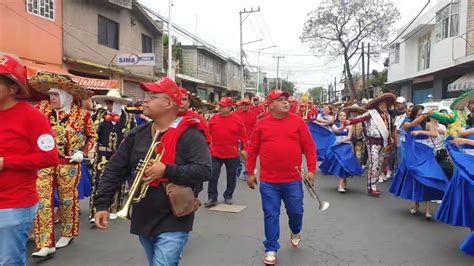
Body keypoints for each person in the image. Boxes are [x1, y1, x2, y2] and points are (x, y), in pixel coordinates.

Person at [93, 77, 211, 265]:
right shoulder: (137, 134)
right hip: (144, 216)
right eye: (147, 95)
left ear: (168, 103)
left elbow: (204, 170)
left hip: (175, 217)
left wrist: (166, 171)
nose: (145, 100)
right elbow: (115, 169)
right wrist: (102, 204)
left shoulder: (190, 134)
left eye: (153, 96)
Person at [29, 71, 97, 257]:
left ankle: (68, 232)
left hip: (69, 164)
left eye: (56, 94)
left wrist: (82, 153)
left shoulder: (82, 115)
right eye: (50, 94)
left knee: (67, 200)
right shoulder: (41, 109)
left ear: (67, 96)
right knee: (42, 201)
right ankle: (45, 242)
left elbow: (92, 136)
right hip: (43, 163)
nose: (52, 98)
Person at [0, 55, 59, 266]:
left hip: (14, 204)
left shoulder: (32, 117)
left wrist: (5, 163)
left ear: (12, 89)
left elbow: (49, 157)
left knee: (9, 261)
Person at [246, 89, 317, 265]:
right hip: (269, 181)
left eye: (286, 99)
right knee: (271, 213)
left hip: (293, 179)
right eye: (280, 100)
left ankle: (295, 230)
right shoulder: (262, 124)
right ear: (270, 105)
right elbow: (253, 149)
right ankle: (271, 248)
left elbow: (309, 147)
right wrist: (250, 173)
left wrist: (311, 170)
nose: (286, 102)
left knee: (296, 212)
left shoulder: (298, 122)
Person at [388, 105, 449, 219]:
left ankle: (427, 210)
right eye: (418, 113)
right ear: (415, 113)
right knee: (414, 178)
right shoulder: (407, 122)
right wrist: (424, 115)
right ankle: (415, 205)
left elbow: (434, 134)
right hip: (412, 153)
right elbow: (410, 126)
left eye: (422, 113)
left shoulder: (428, 124)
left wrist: (422, 132)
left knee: (427, 178)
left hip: (426, 153)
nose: (421, 115)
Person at [88, 89, 136, 223]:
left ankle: (115, 208)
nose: (108, 106)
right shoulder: (98, 115)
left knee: (118, 181)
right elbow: (90, 131)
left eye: (110, 103)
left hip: (120, 154)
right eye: (107, 103)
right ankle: (95, 211)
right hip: (102, 152)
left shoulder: (129, 118)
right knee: (98, 181)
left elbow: (133, 136)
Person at [344, 93, 396, 197]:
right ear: (378, 105)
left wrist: (391, 140)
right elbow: (359, 119)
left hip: (383, 142)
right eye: (382, 104)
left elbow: (389, 130)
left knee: (380, 163)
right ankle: (371, 186)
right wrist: (348, 121)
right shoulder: (371, 114)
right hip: (372, 141)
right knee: (374, 163)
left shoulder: (388, 116)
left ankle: (374, 182)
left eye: (385, 104)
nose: (384, 106)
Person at [436, 123, 474, 256]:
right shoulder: (464, 125)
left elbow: (462, 135)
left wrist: (464, 139)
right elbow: (460, 133)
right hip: (465, 169)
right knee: (468, 203)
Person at [205, 97, 247, 207]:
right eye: (220, 106)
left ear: (230, 107)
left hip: (231, 153)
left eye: (223, 106)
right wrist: (208, 145)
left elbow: (243, 136)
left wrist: (244, 149)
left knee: (231, 176)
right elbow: (207, 133)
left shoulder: (237, 120)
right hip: (215, 152)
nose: (220, 108)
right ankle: (212, 197)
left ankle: (228, 195)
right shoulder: (213, 119)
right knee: (213, 175)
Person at [319, 111, 364, 193]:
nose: (342, 117)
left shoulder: (350, 126)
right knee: (340, 164)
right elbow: (337, 131)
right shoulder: (334, 125)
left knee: (344, 163)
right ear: (338, 117)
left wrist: (343, 140)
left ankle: (341, 184)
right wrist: (343, 127)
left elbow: (349, 137)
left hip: (345, 146)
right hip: (336, 146)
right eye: (340, 115)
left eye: (344, 115)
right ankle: (343, 182)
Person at [235, 98, 258, 181]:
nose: (244, 106)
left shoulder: (253, 115)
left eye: (246, 105)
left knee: (246, 157)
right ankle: (238, 167)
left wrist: (251, 139)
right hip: (237, 139)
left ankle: (246, 173)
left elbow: (255, 128)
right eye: (243, 104)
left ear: (249, 106)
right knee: (236, 156)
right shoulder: (236, 114)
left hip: (248, 139)